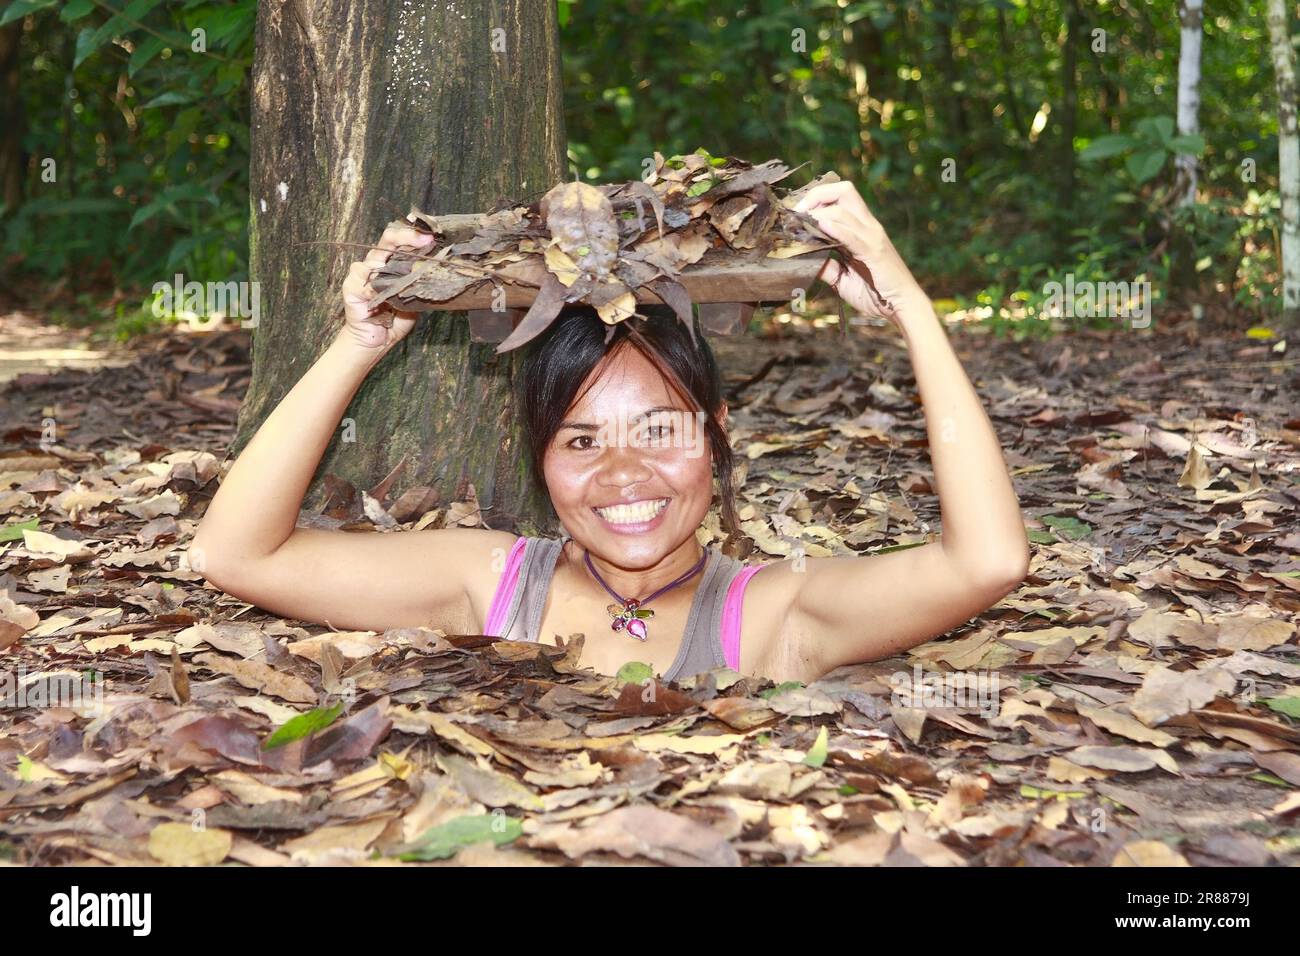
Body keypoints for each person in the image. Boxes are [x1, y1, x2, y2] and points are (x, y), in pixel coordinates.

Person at [191, 181, 1030, 685]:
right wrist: (360, 343)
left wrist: (911, 309)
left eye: (660, 430)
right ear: (542, 459)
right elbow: (235, 557)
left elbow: (985, 562)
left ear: (715, 435)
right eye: (581, 440)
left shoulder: (772, 615)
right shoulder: (490, 584)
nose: (623, 474)